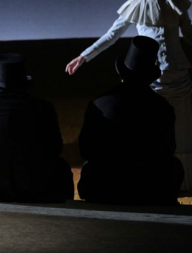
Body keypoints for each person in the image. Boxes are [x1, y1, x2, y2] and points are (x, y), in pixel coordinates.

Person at [65, 0, 192, 190]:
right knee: (152, 130)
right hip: (148, 78)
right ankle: (154, 181)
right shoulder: (135, 5)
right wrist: (84, 56)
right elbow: (112, 35)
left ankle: (184, 183)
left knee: (180, 130)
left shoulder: (175, 2)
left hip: (178, 76)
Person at [78, 36, 184, 205]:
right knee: (174, 165)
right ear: (149, 78)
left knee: (89, 166)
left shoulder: (99, 104)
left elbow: (86, 149)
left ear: (121, 74)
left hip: (106, 186)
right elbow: (168, 148)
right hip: (150, 188)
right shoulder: (162, 107)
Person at [0, 54, 74, 203]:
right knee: (62, 168)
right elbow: (55, 148)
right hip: (36, 187)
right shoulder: (44, 107)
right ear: (25, 87)